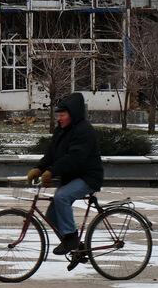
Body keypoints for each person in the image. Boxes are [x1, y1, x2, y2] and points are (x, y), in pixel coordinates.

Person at [26, 93, 104, 256]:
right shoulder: (61, 130)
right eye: (58, 115)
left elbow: (74, 159)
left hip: (88, 177)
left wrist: (52, 172)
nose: (59, 118)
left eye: (62, 115)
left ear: (72, 114)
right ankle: (78, 249)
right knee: (52, 215)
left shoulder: (83, 131)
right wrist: (39, 168)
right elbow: (51, 154)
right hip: (73, 176)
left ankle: (71, 237)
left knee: (62, 197)